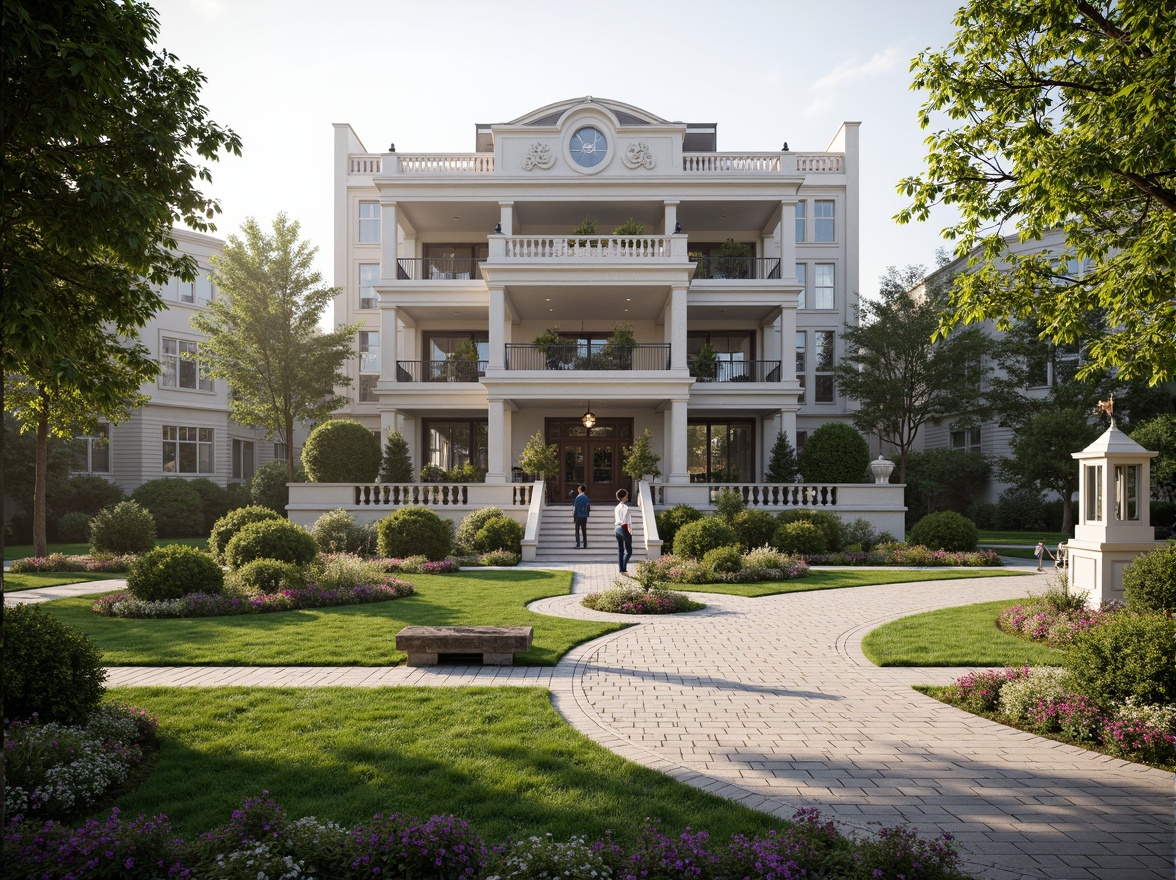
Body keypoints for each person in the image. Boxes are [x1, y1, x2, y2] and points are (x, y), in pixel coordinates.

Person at [614, 487, 633, 574]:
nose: (627, 496)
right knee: (629, 551)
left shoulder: (617, 507)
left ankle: (620, 568)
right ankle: (624, 568)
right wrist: (630, 530)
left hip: (617, 528)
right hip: (623, 527)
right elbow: (627, 520)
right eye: (626, 495)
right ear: (623, 497)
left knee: (620, 550)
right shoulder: (625, 507)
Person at [573, 484, 591, 548]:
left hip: (578, 515)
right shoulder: (587, 498)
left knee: (577, 530)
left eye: (578, 489)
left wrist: (574, 516)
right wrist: (587, 514)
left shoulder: (577, 498)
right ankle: (585, 543)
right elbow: (588, 508)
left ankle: (578, 543)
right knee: (584, 530)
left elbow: (575, 508)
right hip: (584, 516)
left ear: (580, 490)